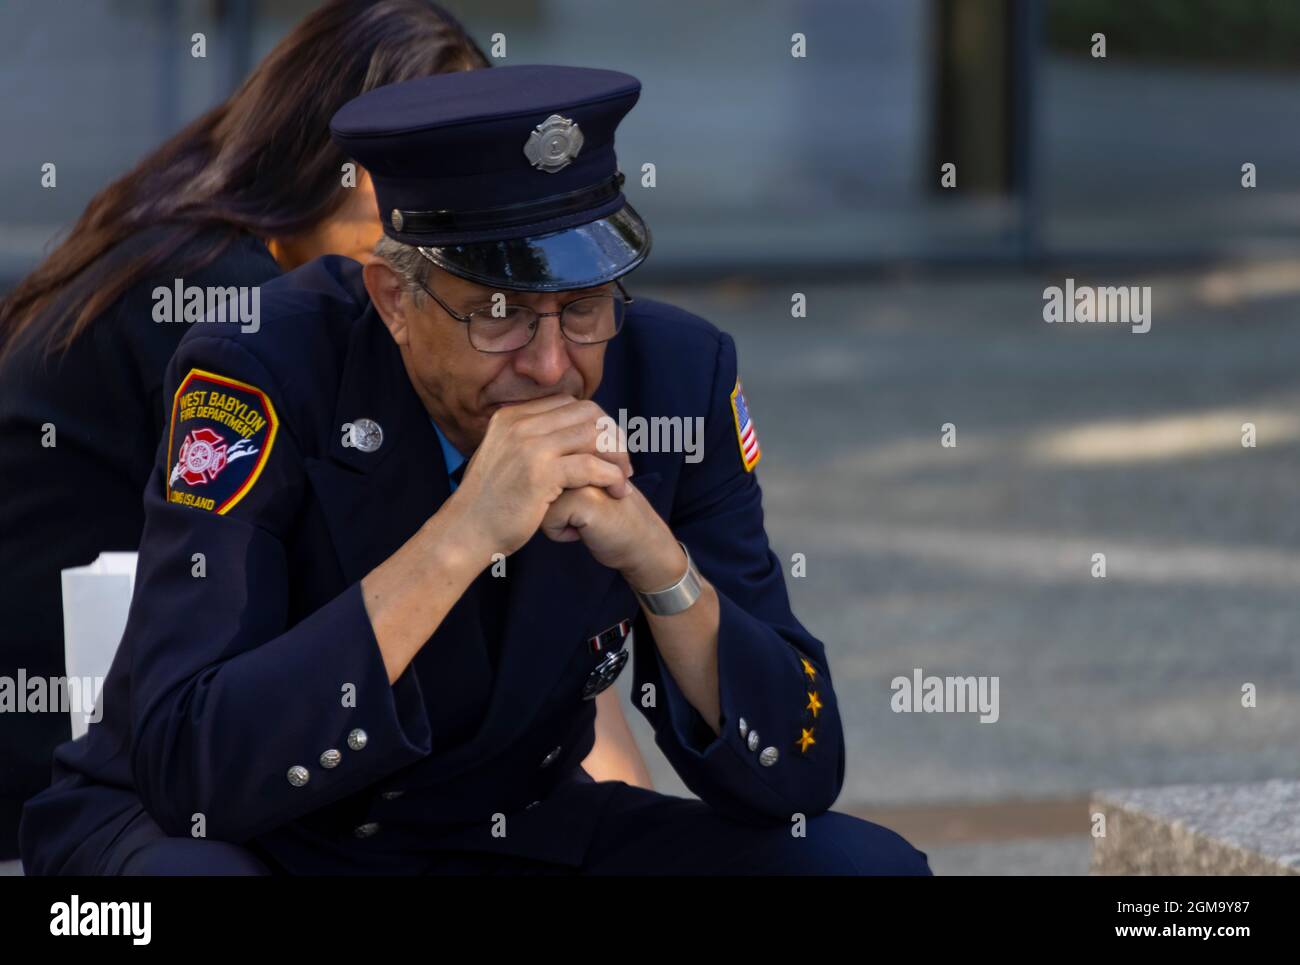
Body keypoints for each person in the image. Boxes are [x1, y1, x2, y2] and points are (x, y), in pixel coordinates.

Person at [20, 65, 931, 875]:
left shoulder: (676, 379)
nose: (549, 365)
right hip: (234, 833)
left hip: (497, 826)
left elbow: (799, 770)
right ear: (393, 299)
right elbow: (197, 769)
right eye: (498, 318)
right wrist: (461, 535)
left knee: (859, 866)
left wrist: (659, 567)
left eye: (581, 310)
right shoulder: (255, 370)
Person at [0, 1, 647, 863]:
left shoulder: (194, 233)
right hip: (66, 752)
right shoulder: (228, 311)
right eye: (424, 166)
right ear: (322, 158)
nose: (462, 211)